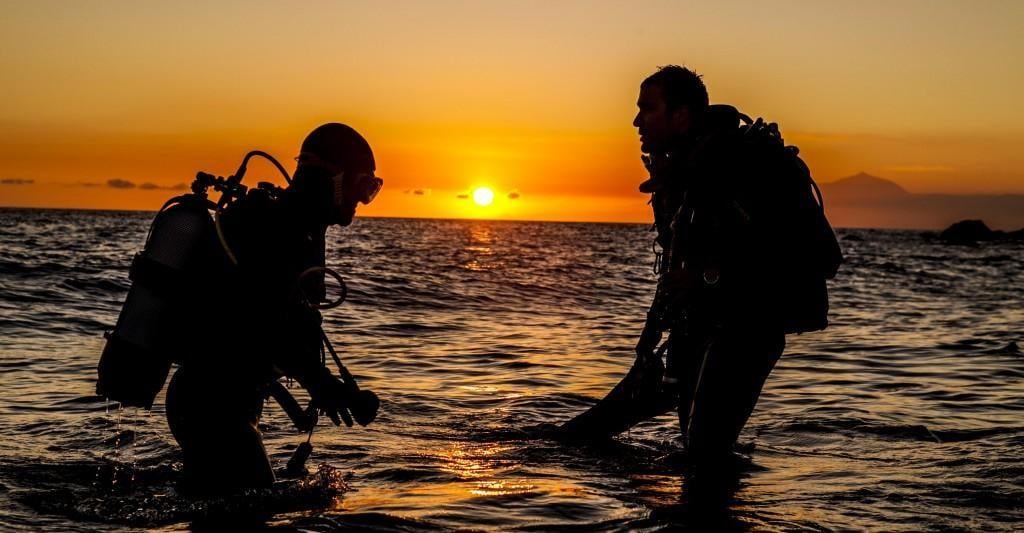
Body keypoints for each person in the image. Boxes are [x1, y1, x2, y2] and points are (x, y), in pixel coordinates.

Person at [164, 123, 383, 495]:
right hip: (210, 405)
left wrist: (330, 387)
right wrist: (323, 386)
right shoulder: (276, 227)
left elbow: (287, 323)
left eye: (372, 191)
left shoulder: (302, 229)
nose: (361, 201)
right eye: (364, 186)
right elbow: (262, 325)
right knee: (250, 510)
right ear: (335, 177)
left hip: (224, 403)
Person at [630, 65, 789, 466]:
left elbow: (768, 256)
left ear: (680, 115)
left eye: (647, 109)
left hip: (748, 329)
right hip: (702, 326)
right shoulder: (682, 169)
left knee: (703, 457)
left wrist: (704, 278)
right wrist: (649, 343)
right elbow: (674, 267)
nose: (636, 121)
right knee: (698, 458)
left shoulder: (728, 165)